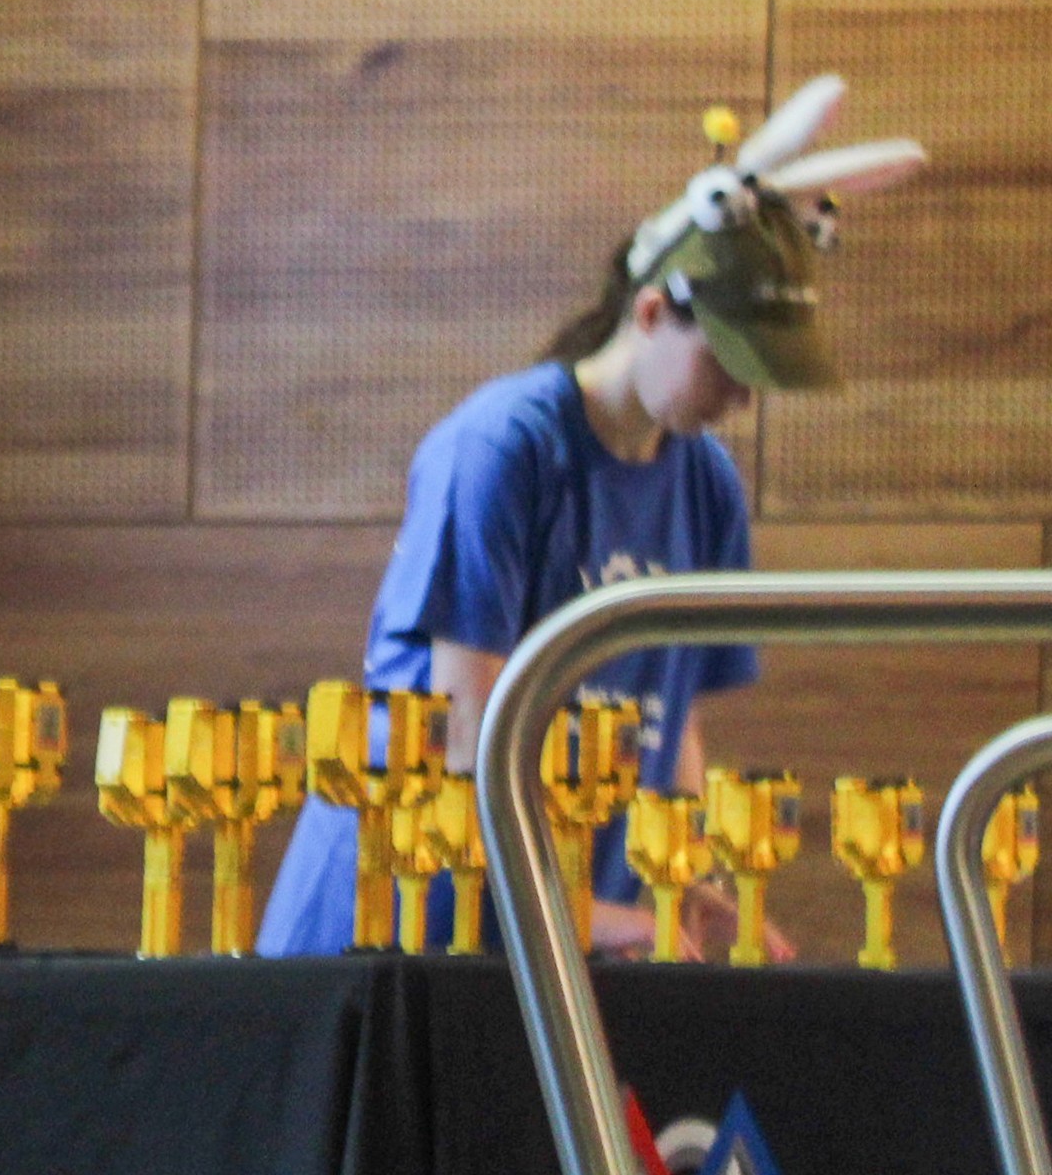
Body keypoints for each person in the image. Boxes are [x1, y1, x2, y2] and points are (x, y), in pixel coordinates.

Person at [255, 82, 924, 957]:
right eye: (728, 363)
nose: (742, 396)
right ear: (650, 313)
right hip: (402, 924)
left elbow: (671, 714)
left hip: (554, 926)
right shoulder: (501, 447)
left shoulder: (706, 483)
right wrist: (586, 915)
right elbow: (467, 724)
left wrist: (689, 881)